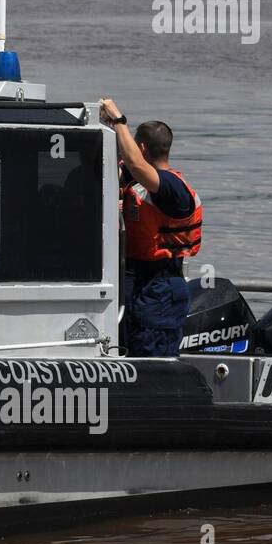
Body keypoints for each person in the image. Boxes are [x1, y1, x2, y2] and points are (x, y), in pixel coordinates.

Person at [99, 99, 203, 357]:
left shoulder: (172, 188)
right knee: (125, 350)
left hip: (161, 287)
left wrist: (120, 121)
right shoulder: (137, 182)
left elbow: (134, 164)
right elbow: (121, 167)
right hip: (135, 281)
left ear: (142, 148)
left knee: (152, 358)